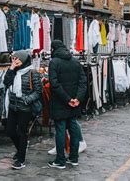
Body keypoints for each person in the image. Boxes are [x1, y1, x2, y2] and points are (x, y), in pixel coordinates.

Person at [47, 40, 87, 169]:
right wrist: (77, 99)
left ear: (53, 49)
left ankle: (60, 160)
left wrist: (67, 99)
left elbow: (54, 84)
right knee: (73, 128)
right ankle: (74, 158)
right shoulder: (75, 62)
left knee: (60, 130)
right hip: (74, 102)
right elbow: (83, 82)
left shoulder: (54, 63)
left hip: (60, 101)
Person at [3, 50, 42, 170]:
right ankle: (21, 149)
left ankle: (21, 159)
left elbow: (38, 91)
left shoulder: (32, 72)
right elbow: (6, 82)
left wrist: (27, 100)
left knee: (22, 132)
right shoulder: (13, 71)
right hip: (13, 105)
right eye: (13, 59)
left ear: (24, 59)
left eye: (17, 59)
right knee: (10, 131)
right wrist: (11, 68)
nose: (15, 61)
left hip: (25, 107)